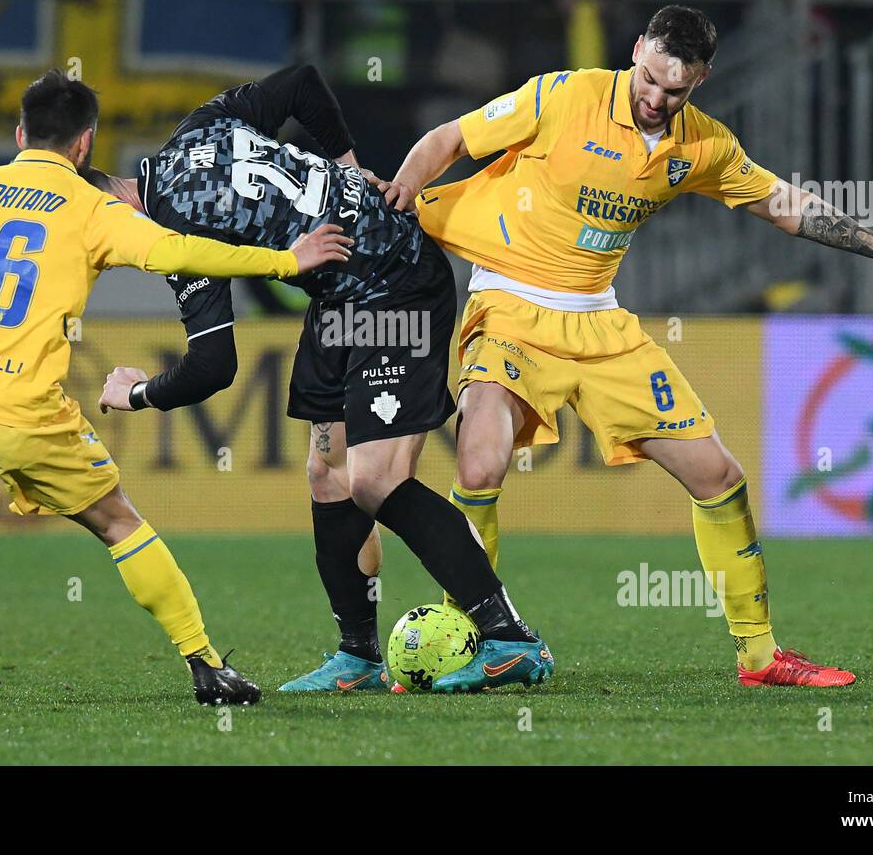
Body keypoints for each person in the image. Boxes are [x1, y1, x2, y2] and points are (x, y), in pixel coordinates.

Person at [376, 5, 873, 687]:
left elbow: (786, 206)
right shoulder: (562, 95)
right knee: (479, 466)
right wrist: (403, 190)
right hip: (509, 305)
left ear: (702, 80)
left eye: (676, 90)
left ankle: (759, 656)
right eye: (650, 80)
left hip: (600, 322)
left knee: (719, 477)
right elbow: (449, 138)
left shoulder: (704, 147)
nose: (656, 99)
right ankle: (471, 640)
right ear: (636, 51)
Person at [0, 69, 353, 706]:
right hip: (20, 412)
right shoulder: (92, 208)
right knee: (118, 523)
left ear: (20, 133)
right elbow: (180, 253)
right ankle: (206, 665)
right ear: (85, 147)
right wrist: (284, 260)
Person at [91, 64, 551, 694]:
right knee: (328, 476)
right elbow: (304, 83)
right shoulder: (195, 131)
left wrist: (136, 392)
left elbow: (212, 366)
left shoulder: (171, 232)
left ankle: (509, 637)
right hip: (340, 294)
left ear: (109, 208)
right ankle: (358, 657)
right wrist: (347, 164)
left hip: (397, 284)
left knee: (376, 482)